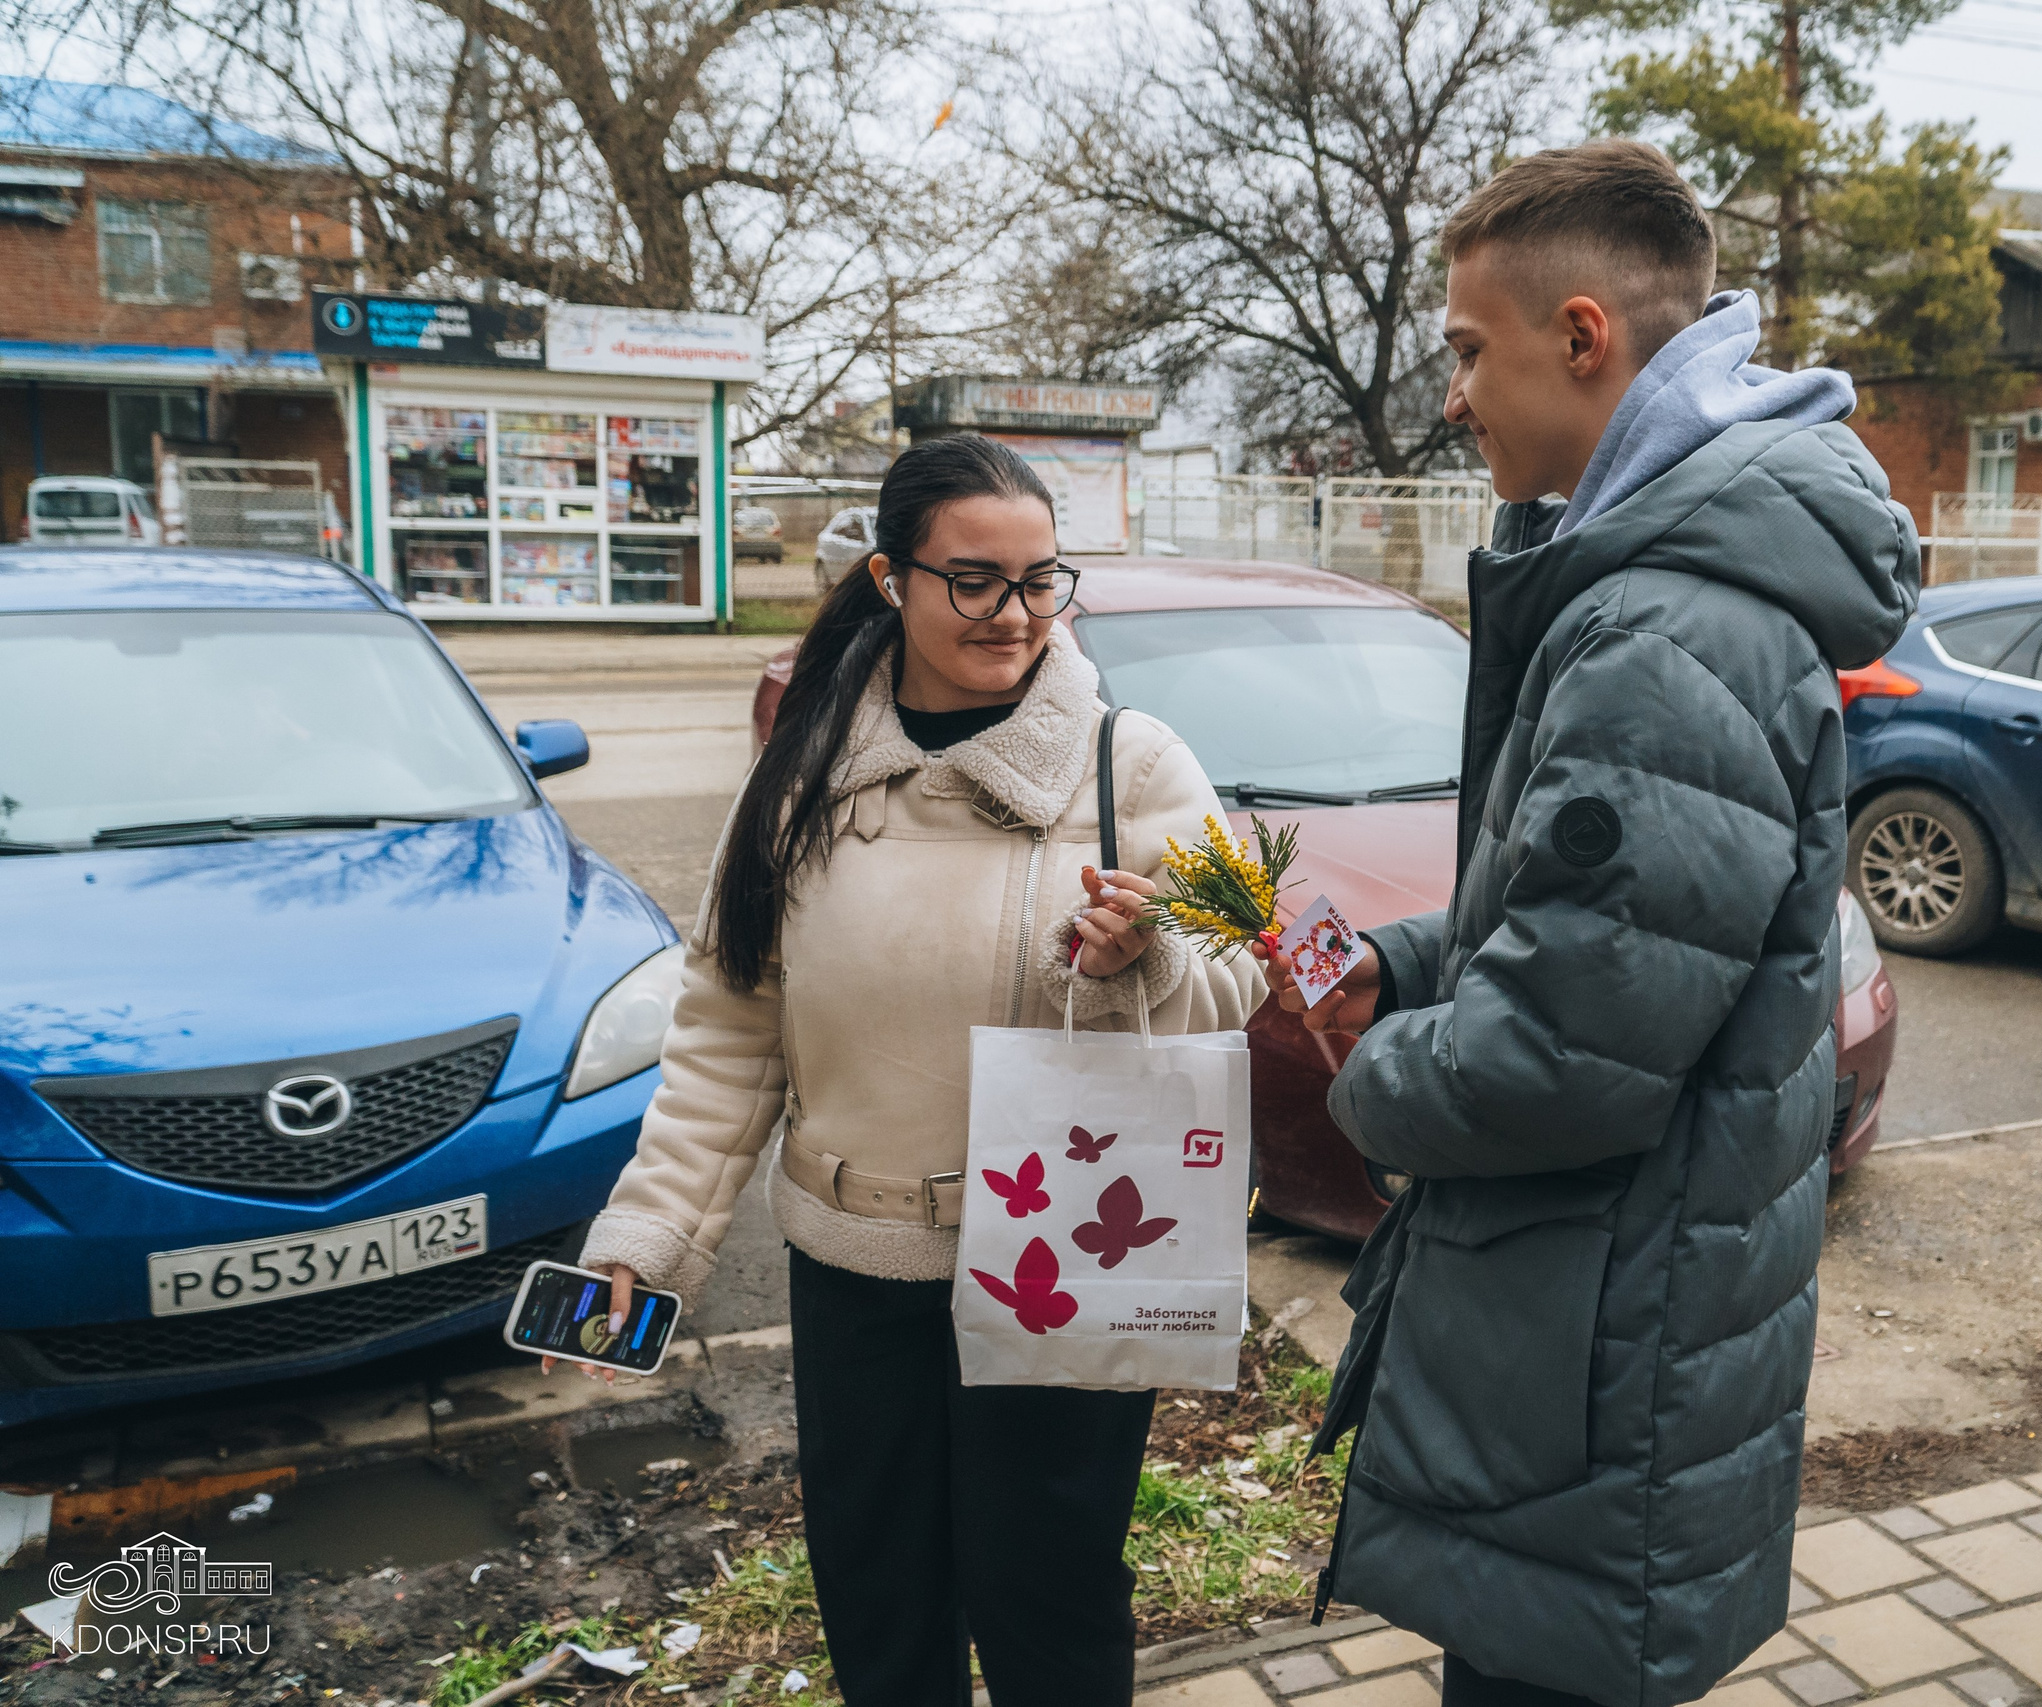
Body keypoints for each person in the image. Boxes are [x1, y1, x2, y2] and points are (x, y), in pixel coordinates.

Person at [1249, 139, 1917, 1707]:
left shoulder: (1659, 631)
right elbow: (1609, 939)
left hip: (1596, 1342)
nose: (1455, 394)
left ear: (1583, 336)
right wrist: (1410, 959)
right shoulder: (1656, 588)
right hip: (1620, 1322)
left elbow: (1564, 1060)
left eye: (1470, 351)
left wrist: (1369, 1063)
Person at [561, 434, 1263, 1706]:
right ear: (891, 578)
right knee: (880, 1609)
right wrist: (648, 1237)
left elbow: (1249, 968)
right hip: (857, 1269)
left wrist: (1143, 952)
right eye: (975, 581)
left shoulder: (1140, 758)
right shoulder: (800, 776)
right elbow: (728, 1025)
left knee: (1051, 1610)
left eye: (1043, 580)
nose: (1015, 614)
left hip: (1062, 1270)